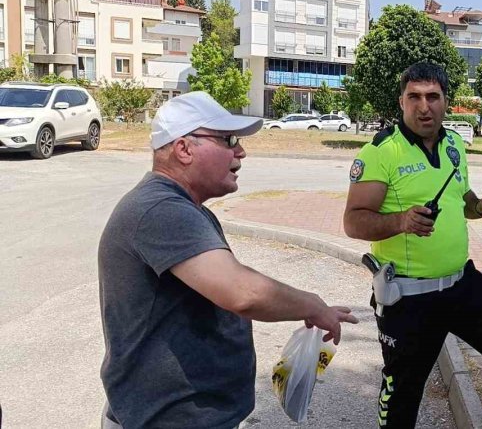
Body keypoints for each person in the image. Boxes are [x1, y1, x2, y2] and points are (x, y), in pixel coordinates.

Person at [98, 92, 358, 428]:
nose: (240, 151)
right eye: (227, 140)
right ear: (183, 149)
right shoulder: (161, 210)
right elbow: (242, 292)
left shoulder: (184, 208)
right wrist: (312, 306)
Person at [343, 62, 482, 428]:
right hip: (409, 297)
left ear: (447, 102)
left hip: (461, 284)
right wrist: (401, 221)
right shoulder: (381, 151)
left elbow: (463, 202)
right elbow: (353, 221)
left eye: (433, 96)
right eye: (414, 97)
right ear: (401, 101)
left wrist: (481, 207)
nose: (423, 106)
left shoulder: (454, 146)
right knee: (402, 399)